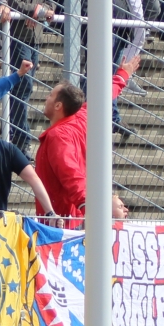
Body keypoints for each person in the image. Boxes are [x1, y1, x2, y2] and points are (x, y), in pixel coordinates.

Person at [32, 57, 137, 226]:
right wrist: (122, 75)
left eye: (50, 95)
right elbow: (103, 98)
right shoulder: (81, 117)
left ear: (58, 106)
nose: (46, 98)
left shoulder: (58, 135)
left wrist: (87, 207)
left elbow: (71, 173)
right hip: (69, 219)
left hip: (60, 224)